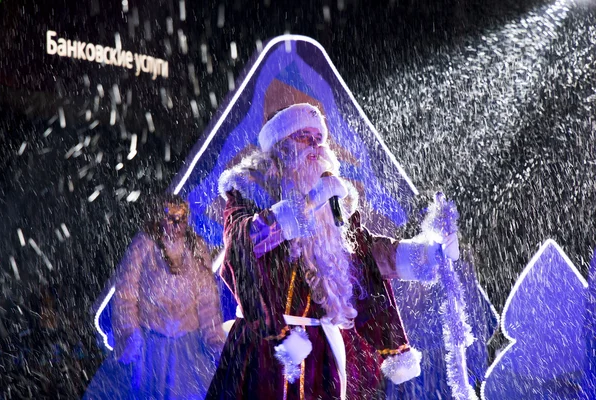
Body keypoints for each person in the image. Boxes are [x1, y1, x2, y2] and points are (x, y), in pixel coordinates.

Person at [206, 103, 459, 400]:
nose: (315, 144)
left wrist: (427, 255)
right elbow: (241, 247)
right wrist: (306, 206)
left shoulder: (334, 199)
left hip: (320, 352)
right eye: (304, 136)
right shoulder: (251, 191)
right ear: (281, 146)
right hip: (265, 345)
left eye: (319, 137)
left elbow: (365, 256)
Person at [84, 194, 226, 400]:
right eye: (171, 217)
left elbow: (208, 302)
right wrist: (129, 334)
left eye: (181, 218)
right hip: (152, 347)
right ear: (160, 217)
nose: (176, 224)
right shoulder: (144, 246)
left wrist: (215, 341)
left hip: (189, 349)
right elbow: (126, 295)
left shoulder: (197, 248)